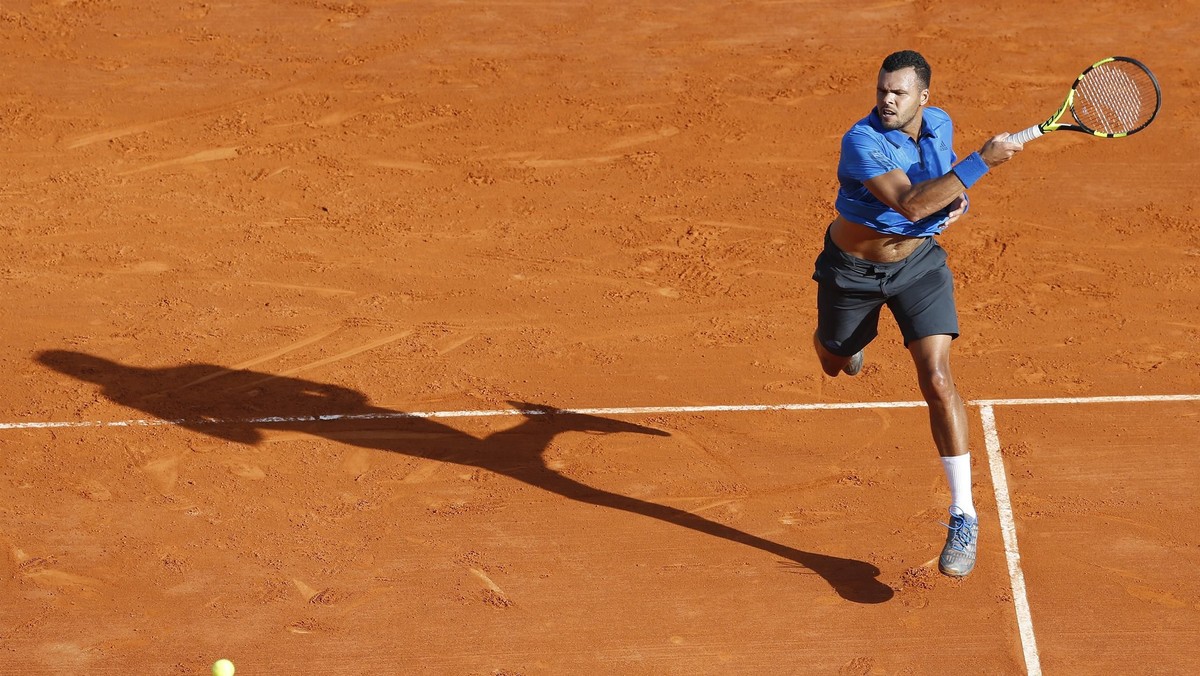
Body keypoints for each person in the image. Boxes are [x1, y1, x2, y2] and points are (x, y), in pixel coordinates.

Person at [811, 50, 1022, 577]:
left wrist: (957, 200)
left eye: (899, 93)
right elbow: (910, 203)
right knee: (833, 359)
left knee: (938, 378)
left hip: (919, 269)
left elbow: (939, 187)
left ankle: (963, 515)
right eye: (882, 89)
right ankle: (845, 342)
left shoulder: (940, 123)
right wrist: (981, 165)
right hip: (853, 272)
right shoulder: (862, 141)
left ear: (922, 99)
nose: (886, 99)